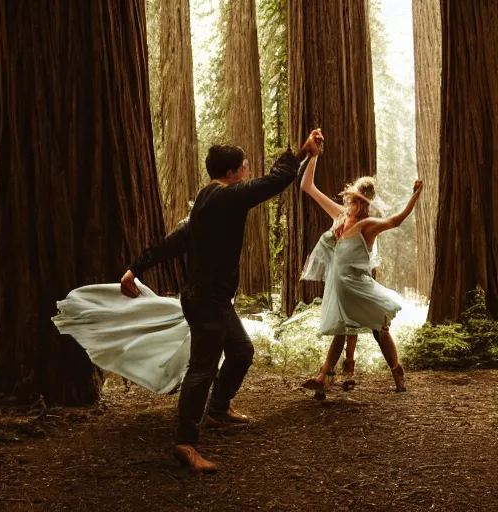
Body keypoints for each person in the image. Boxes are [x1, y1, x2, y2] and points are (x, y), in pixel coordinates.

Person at [119, 130, 323, 473]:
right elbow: (272, 183)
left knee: (241, 351)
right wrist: (303, 151)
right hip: (205, 301)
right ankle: (186, 442)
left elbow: (175, 241)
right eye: (244, 166)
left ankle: (217, 410)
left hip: (214, 299)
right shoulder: (226, 197)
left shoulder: (206, 202)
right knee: (202, 368)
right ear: (231, 173)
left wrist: (135, 269)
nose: (246, 171)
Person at [297, 150, 423, 397]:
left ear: (367, 205)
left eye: (362, 203)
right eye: (354, 200)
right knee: (341, 328)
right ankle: (323, 376)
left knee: (380, 329)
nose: (356, 206)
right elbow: (307, 186)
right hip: (338, 285)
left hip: (358, 285)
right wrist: (314, 155)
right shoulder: (340, 217)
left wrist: (415, 195)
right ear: (349, 200)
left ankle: (397, 371)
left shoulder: (367, 226)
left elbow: (395, 221)